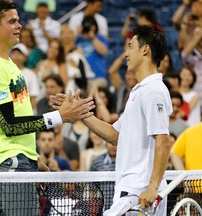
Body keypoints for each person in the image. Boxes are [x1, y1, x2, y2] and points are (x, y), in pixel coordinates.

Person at [0, 1, 94, 215]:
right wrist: (59, 116)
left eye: (18, 20)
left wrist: (33, 157)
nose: (19, 25)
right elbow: (9, 126)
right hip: (11, 163)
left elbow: (18, 117)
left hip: (16, 161)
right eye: (12, 21)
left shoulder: (7, 64)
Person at [51, 25, 173, 215]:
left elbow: (164, 141)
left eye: (130, 47)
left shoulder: (153, 90)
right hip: (133, 190)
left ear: (145, 49)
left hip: (139, 192)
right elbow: (116, 136)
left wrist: (152, 187)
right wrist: (81, 113)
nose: (126, 54)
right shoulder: (139, 91)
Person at [170, 104, 202, 170]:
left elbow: (174, 153)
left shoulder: (189, 131)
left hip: (192, 179)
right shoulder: (189, 131)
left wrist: (183, 177)